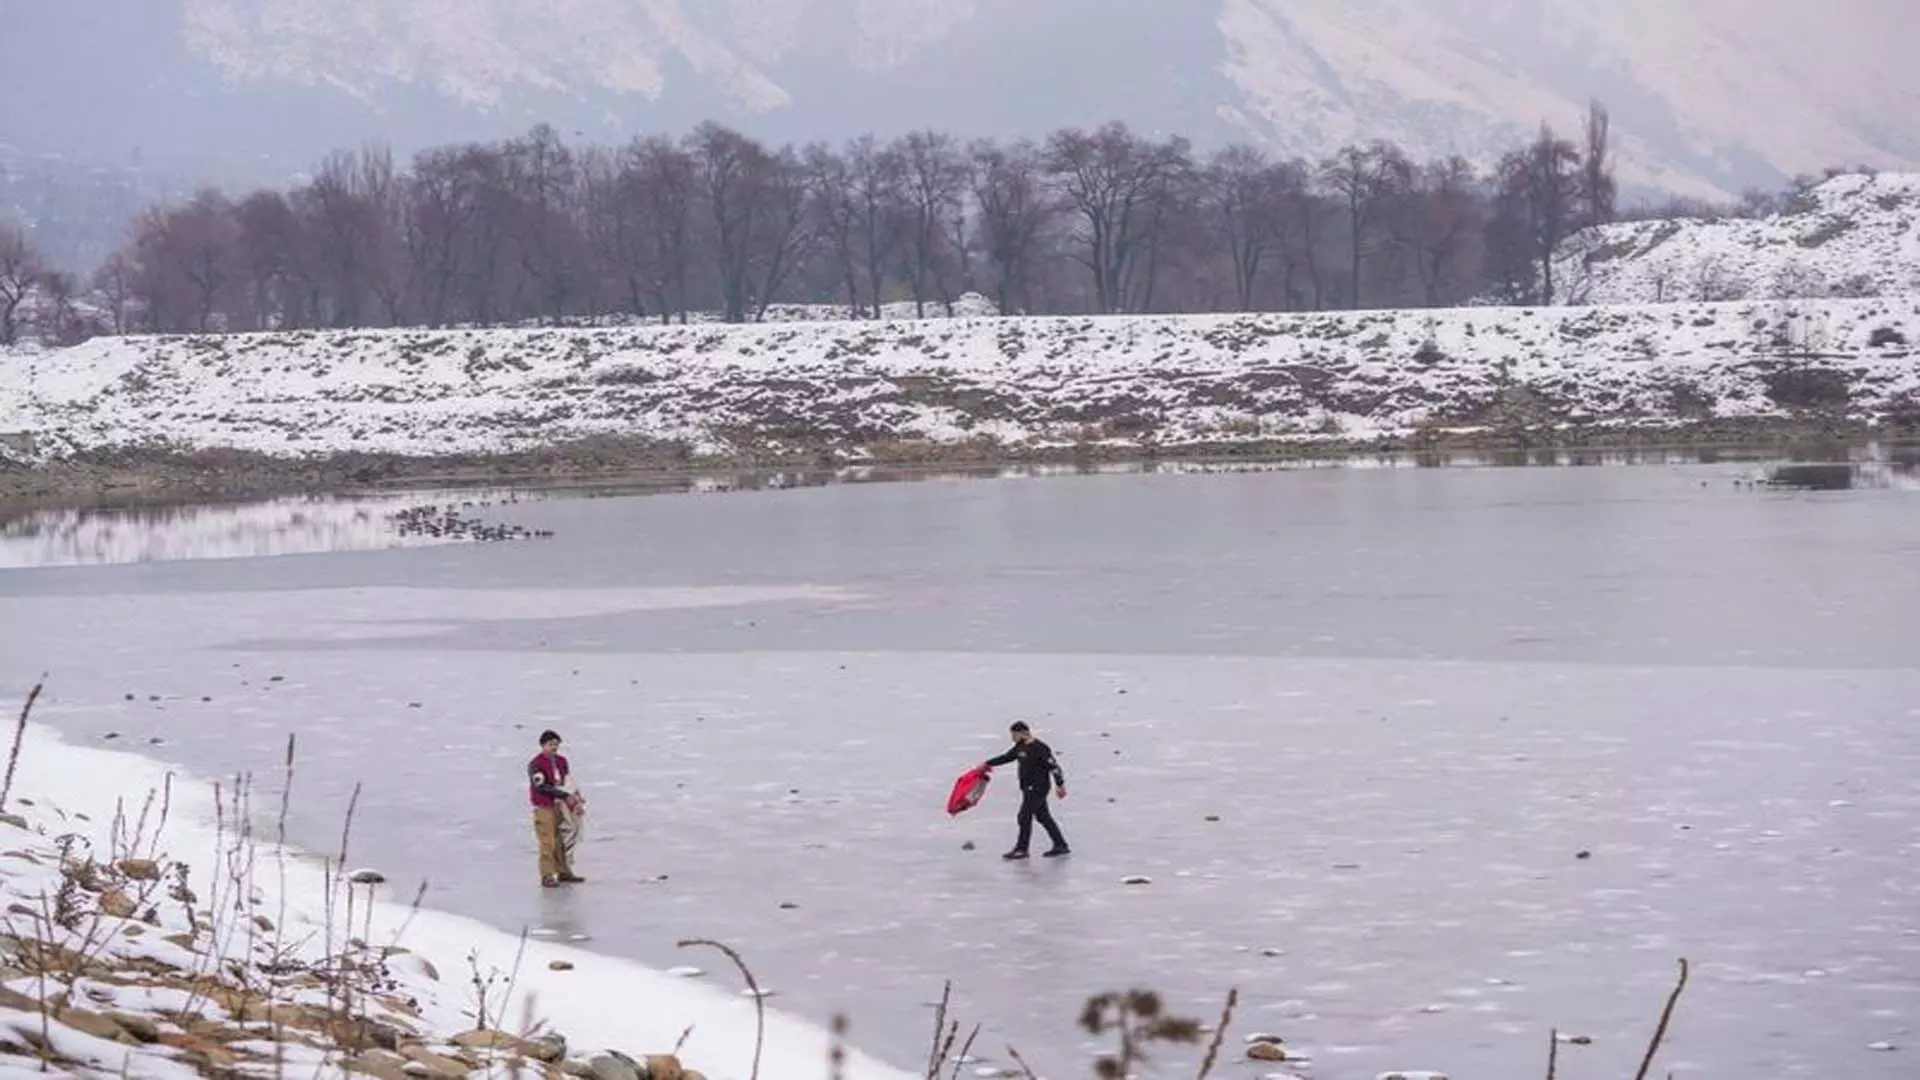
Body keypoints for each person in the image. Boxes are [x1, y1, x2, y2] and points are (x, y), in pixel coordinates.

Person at [983, 721, 1069, 859]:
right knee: (1043, 816)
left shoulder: (1040, 748)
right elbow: (1007, 757)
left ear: (1024, 732)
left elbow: (1054, 767)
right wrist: (987, 763)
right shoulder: (1020, 746)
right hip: (1027, 788)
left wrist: (1060, 785)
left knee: (1024, 817)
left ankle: (1022, 849)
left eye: (1014, 735)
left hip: (1038, 788)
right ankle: (1061, 845)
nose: (1013, 738)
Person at [528, 729, 586, 887]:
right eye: (550, 744)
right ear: (542, 745)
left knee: (562, 840)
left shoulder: (561, 761)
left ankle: (563, 871)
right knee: (548, 842)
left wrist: (576, 798)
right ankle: (547, 875)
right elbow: (541, 786)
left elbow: (568, 781)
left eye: (556, 744)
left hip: (560, 806)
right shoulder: (536, 764)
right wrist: (563, 795)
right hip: (544, 807)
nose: (554, 747)